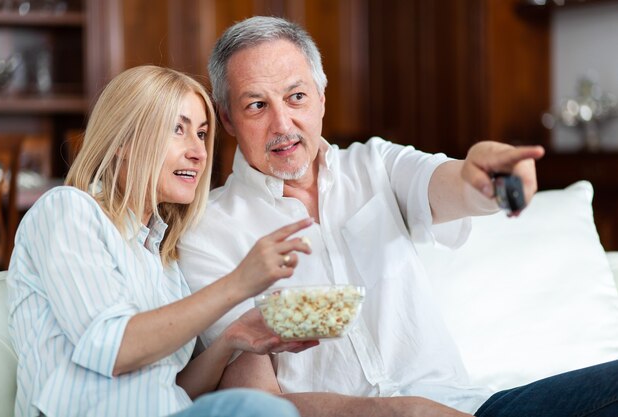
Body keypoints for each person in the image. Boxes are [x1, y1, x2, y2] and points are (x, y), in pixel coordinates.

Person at [178, 15, 618, 417]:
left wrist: (485, 176)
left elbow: (454, 186)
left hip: (470, 409)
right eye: (256, 105)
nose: (282, 123)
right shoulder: (208, 233)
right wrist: (397, 412)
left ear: (321, 98)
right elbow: (260, 404)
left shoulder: (375, 164)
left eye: (296, 97)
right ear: (228, 119)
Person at [6, 65, 318, 417]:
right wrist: (238, 284)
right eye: (177, 129)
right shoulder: (67, 211)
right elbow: (114, 350)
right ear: (123, 140)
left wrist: (233, 337)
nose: (198, 152)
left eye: (201, 134)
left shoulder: (162, 256)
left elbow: (172, 389)